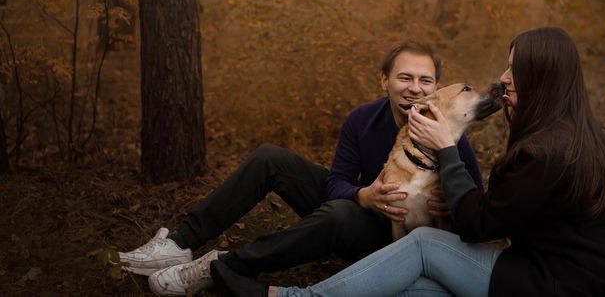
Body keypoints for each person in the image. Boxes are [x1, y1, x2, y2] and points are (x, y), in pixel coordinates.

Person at [220, 27, 605, 297]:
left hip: (552, 282)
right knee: (412, 287)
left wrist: (447, 154)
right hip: (582, 277)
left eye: (514, 71)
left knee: (423, 246)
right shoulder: (575, 136)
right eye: (507, 69)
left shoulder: (545, 150)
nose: (504, 79)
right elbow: (506, 213)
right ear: (384, 80)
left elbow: (477, 224)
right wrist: (366, 196)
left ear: (543, 78)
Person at [114, 41, 483, 296]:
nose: (415, 89)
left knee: (339, 214)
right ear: (383, 80)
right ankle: (180, 243)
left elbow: (476, 210)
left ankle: (224, 267)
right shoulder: (362, 120)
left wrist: (451, 205)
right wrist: (362, 194)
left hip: (395, 242)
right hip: (367, 208)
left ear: (436, 89)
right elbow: (337, 181)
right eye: (405, 77)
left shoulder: (452, 137)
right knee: (271, 157)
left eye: (425, 81)